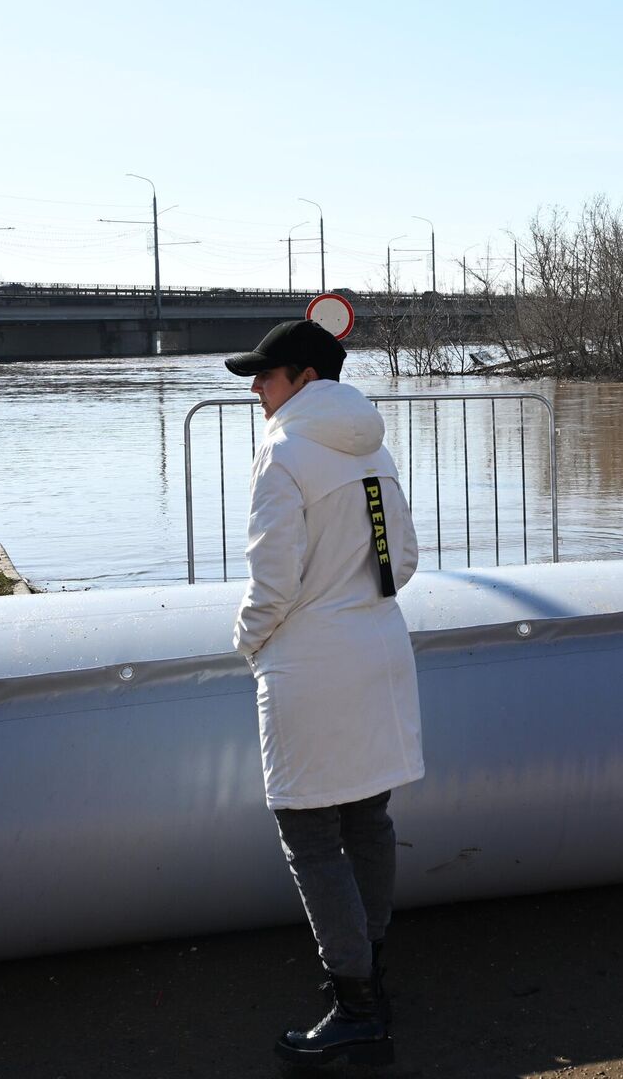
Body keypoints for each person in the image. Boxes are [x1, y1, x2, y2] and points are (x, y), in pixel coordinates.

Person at [226, 319, 423, 1067]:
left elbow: (271, 583)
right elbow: (399, 561)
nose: (255, 389)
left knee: (309, 833)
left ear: (304, 378)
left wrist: (248, 640)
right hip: (379, 646)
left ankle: (356, 1003)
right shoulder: (372, 445)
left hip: (310, 662)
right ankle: (373, 969)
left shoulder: (283, 453)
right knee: (368, 816)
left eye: (265, 376)